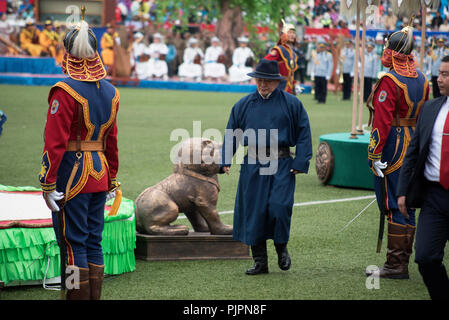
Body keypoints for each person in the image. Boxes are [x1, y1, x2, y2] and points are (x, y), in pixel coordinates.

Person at [39, 14, 120, 300]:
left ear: (68, 53)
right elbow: (111, 141)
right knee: (93, 241)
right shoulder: (111, 92)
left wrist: (48, 182)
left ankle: (74, 297)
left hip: (71, 177)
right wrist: (112, 179)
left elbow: (55, 142)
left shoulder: (64, 91)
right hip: (100, 175)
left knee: (73, 244)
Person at [220, 59, 312, 275]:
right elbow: (232, 132)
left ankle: (282, 249)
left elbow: (303, 132)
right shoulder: (243, 105)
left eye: (268, 81)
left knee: (280, 208)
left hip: (281, 164)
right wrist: (225, 159)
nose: (263, 85)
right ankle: (260, 262)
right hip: (252, 165)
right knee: (254, 212)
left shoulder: (292, 104)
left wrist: (300, 161)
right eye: (259, 80)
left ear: (277, 82)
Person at [365, 25, 429, 280]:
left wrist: (374, 154)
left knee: (393, 202)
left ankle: (395, 264)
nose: (384, 51)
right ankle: (401, 260)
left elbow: (381, 121)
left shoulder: (389, 80)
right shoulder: (423, 78)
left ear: (394, 52)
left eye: (387, 47)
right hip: (417, 143)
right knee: (408, 203)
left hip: (394, 145)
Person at [397, 55, 449, 300]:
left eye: (446, 74)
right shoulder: (430, 109)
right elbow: (413, 152)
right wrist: (403, 190)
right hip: (434, 197)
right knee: (426, 258)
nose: (439, 79)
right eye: (440, 73)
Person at [264, 20, 301, 94]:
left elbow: (291, 73)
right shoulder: (278, 49)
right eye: (289, 32)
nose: (292, 35)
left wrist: (295, 84)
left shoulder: (293, 54)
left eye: (293, 33)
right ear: (283, 35)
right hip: (279, 86)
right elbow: (265, 62)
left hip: (289, 88)